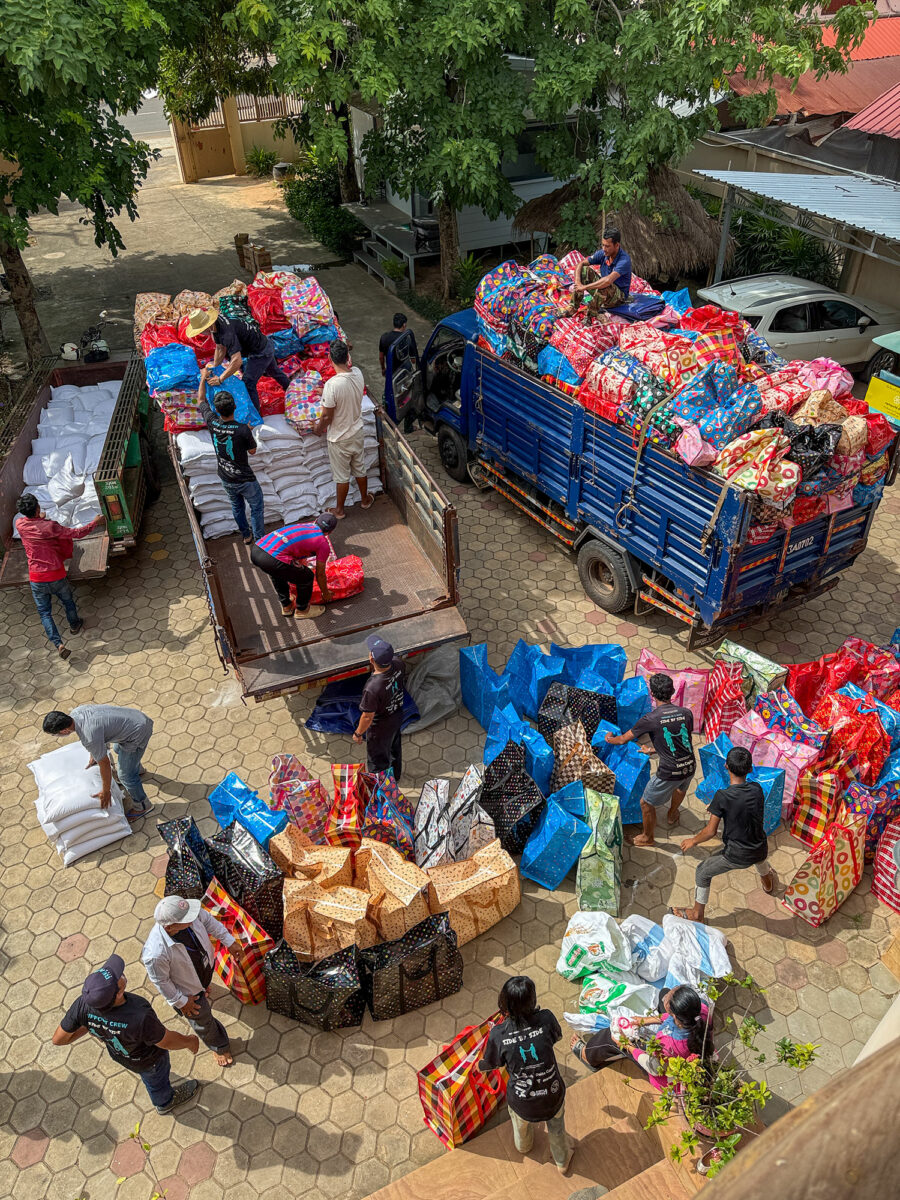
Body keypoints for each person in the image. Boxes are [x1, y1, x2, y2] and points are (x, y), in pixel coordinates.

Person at [51, 953, 201, 1116]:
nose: (121, 973)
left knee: (147, 1075)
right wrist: (189, 1041)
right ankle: (165, 1102)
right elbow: (165, 1041)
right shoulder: (139, 1015)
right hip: (149, 1060)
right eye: (118, 977)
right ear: (117, 994)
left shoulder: (84, 1003)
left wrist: (91, 1026)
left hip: (120, 1054)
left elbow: (58, 1039)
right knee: (156, 1081)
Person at [479, 976, 576, 1176]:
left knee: (520, 1126)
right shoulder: (547, 1018)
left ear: (504, 1004)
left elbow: (491, 1064)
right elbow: (555, 1037)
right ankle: (562, 1161)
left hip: (522, 1101)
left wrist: (481, 1065)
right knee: (557, 1127)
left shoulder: (499, 1034)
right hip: (553, 1095)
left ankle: (524, 1147)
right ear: (532, 1001)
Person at [675, 746, 777, 922]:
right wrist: (718, 807)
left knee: (702, 872)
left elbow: (710, 831)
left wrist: (693, 840)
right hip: (760, 846)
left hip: (736, 855)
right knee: (759, 859)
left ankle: (697, 914)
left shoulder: (722, 796)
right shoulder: (757, 789)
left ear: (726, 767)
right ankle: (768, 884)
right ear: (750, 769)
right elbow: (744, 807)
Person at [142, 895, 241, 1068]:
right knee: (203, 1020)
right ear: (171, 927)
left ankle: (204, 988)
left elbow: (209, 922)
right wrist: (181, 1002)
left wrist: (229, 941)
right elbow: (161, 981)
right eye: (187, 919)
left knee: (204, 986)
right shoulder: (155, 953)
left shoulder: (189, 913)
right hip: (188, 993)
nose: (194, 917)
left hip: (203, 970)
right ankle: (219, 1046)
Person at [605, 672, 695, 847]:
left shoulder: (650, 719)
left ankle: (647, 837)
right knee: (680, 789)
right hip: (690, 765)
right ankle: (672, 814)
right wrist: (653, 750)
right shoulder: (686, 713)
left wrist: (609, 738)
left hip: (669, 771)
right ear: (673, 692)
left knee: (645, 803)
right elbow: (681, 740)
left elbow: (623, 739)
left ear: (652, 694)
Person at [13, 492, 105, 659]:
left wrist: (39, 517)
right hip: (55, 575)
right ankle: (74, 625)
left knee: (44, 613)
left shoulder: (20, 524)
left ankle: (59, 644)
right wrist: (94, 523)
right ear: (38, 507)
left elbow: (33, 523)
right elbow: (76, 534)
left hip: (36, 579)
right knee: (67, 601)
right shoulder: (50, 527)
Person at [570, 984, 712, 1089]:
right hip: (682, 1047)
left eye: (669, 1002)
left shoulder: (669, 1045)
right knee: (663, 991)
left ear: (675, 1015)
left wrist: (627, 1046)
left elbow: (653, 1066)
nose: (666, 998)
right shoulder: (701, 1011)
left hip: (662, 1072)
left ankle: (587, 1056)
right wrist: (644, 1021)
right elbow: (668, 1017)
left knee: (611, 1036)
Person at [42, 703, 155, 820]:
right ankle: (136, 769)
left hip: (139, 731)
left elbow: (104, 764)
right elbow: (100, 730)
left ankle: (143, 806)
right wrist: (95, 754)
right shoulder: (77, 711)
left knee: (125, 776)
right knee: (118, 749)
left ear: (64, 731)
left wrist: (106, 791)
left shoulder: (88, 737)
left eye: (55, 734)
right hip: (135, 718)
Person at [198, 365, 264, 544]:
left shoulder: (212, 422)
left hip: (226, 478)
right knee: (257, 507)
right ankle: (259, 540)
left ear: (217, 410)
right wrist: (248, 432)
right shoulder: (242, 429)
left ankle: (246, 535)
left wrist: (203, 378)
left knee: (237, 507)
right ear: (235, 406)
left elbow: (201, 400)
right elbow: (252, 451)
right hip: (245, 479)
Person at [186, 304, 290, 410]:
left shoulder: (227, 334)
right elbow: (219, 348)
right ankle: (289, 388)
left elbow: (237, 361)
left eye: (201, 331)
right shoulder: (216, 324)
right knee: (274, 371)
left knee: (248, 382)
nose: (201, 334)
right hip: (263, 343)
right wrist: (215, 368)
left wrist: (220, 379)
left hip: (260, 352)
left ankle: (255, 416)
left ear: (207, 327)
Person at [313, 340, 373, 519]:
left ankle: (339, 510)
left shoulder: (332, 385)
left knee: (342, 476)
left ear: (330, 358)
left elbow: (326, 417)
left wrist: (317, 429)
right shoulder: (357, 373)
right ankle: (365, 500)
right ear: (347, 357)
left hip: (339, 438)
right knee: (360, 469)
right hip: (357, 431)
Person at [250, 513, 335, 620]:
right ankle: (302, 610)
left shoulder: (305, 526)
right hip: (273, 558)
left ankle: (287, 606)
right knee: (307, 577)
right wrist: (325, 592)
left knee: (277, 572)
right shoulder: (323, 543)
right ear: (330, 532)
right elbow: (320, 574)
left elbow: (295, 549)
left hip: (257, 549)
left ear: (316, 520)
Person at [353, 636, 406, 780]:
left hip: (380, 728)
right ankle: (395, 776)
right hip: (397, 716)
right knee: (394, 748)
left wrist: (358, 733)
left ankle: (381, 791)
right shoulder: (399, 664)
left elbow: (367, 716)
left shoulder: (372, 688)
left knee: (377, 760)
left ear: (371, 660)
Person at [569, 227, 632, 319]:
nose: (604, 249)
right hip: (604, 292)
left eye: (607, 246)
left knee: (604, 285)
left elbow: (608, 281)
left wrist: (585, 287)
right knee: (584, 270)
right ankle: (573, 307)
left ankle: (591, 316)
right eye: (603, 245)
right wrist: (578, 282)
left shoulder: (624, 260)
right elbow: (581, 264)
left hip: (619, 298)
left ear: (617, 245)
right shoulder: (603, 253)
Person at [379, 312, 419, 377]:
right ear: (404, 325)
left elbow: (381, 357)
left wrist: (383, 369)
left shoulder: (384, 337)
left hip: (391, 372)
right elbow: (413, 361)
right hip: (405, 373)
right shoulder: (408, 339)